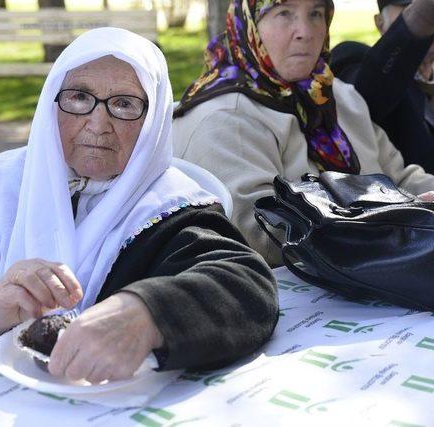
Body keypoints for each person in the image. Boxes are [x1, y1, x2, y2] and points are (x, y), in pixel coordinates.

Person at [0, 27, 279, 384]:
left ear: (152, 122)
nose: (97, 123)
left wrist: (146, 314)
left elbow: (246, 285)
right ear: (51, 102)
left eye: (124, 104)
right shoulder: (7, 184)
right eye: (79, 97)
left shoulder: (172, 206)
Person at [172, 0, 434, 266]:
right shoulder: (224, 117)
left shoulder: (335, 97)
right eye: (285, 13)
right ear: (249, 23)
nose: (305, 31)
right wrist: (392, 224)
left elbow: (399, 178)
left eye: (316, 14)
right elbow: (261, 235)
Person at [330, 0, 434, 172]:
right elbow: (363, 97)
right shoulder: (354, 57)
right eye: (408, 9)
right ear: (379, 22)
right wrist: (419, 19)